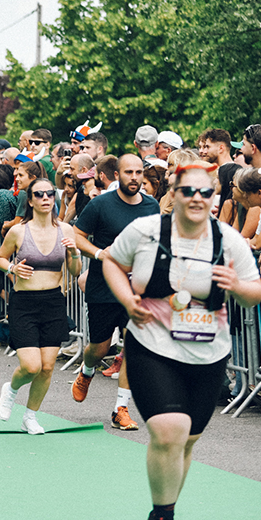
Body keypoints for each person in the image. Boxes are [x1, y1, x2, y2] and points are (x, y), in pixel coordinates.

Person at [101, 162, 261, 520]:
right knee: (170, 431)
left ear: (214, 197)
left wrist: (237, 286)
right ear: (173, 192)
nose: (196, 199)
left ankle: (165, 514)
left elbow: (255, 292)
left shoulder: (229, 241)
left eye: (205, 193)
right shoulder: (146, 231)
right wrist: (127, 301)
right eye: (188, 191)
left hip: (209, 352)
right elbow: (110, 261)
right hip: (151, 345)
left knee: (188, 440)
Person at [72, 153, 160, 430]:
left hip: (137, 290)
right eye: (128, 172)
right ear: (117, 175)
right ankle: (87, 371)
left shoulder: (152, 206)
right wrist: (99, 254)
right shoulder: (100, 205)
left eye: (138, 172)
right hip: (104, 287)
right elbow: (77, 236)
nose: (134, 177)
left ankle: (120, 409)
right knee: (99, 347)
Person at [0, 178, 82, 433]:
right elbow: (0, 257)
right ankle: (10, 391)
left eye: (50, 194)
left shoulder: (66, 230)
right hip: (24, 302)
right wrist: (12, 267)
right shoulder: (19, 231)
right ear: (30, 200)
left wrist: (75, 253)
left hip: (53, 301)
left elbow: (75, 271)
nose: (45, 198)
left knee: (47, 367)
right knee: (31, 366)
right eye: (39, 194)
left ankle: (30, 416)